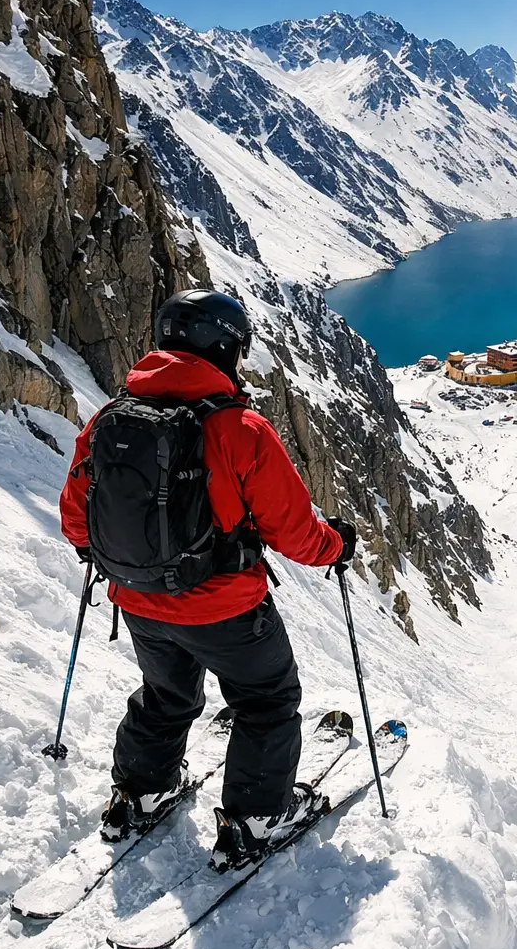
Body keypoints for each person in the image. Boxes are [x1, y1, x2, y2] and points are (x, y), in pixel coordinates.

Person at [59, 289, 357, 870]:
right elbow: (294, 531)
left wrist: (133, 563)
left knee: (167, 697)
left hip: (139, 601)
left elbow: (77, 518)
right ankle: (255, 818)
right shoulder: (239, 428)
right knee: (267, 700)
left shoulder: (107, 419)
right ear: (221, 347)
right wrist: (336, 545)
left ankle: (139, 793)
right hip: (225, 606)